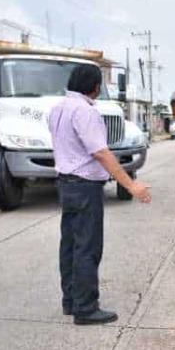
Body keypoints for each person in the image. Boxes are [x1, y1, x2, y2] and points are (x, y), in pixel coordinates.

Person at [47, 62, 152, 326]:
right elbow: (101, 153)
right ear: (95, 86)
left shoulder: (58, 108)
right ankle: (86, 308)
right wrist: (131, 185)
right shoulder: (86, 112)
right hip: (84, 187)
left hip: (66, 183)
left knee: (69, 245)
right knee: (87, 247)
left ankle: (70, 301)